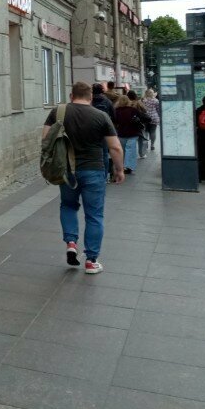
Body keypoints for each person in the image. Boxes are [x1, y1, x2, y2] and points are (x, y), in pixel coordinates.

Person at [43, 81, 124, 275]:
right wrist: (119, 170)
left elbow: (45, 139)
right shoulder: (101, 116)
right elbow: (115, 147)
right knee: (94, 215)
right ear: (91, 98)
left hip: (67, 170)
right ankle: (91, 261)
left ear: (71, 96)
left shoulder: (58, 112)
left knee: (68, 206)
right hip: (94, 170)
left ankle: (71, 242)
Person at [114, 93, 150, 174]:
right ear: (128, 101)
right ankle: (129, 167)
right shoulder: (133, 110)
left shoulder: (116, 111)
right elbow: (145, 118)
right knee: (130, 150)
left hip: (121, 133)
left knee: (122, 150)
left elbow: (114, 121)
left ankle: (122, 166)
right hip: (133, 133)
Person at [92, 83, 115, 178]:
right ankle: (105, 175)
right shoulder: (107, 101)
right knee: (105, 153)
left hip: (90, 130)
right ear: (102, 91)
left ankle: (94, 173)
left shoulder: (89, 101)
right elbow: (114, 116)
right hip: (104, 130)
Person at [141, 88, 160, 155]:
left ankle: (146, 145)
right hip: (154, 117)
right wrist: (159, 116)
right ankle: (152, 145)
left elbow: (142, 109)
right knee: (153, 131)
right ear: (152, 93)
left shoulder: (144, 100)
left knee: (145, 131)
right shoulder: (156, 101)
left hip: (145, 118)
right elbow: (158, 110)